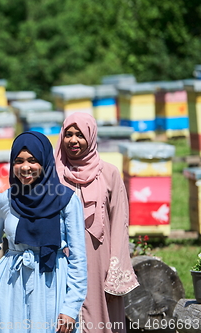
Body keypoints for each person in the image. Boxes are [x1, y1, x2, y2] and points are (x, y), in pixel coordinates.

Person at [0, 131, 87, 333]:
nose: (25, 167)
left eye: (32, 160)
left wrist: (71, 307)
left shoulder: (66, 201)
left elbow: (79, 259)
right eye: (18, 161)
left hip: (52, 283)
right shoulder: (6, 199)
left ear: (45, 162)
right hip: (11, 285)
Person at [55, 113, 139, 333]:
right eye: (68, 134)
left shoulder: (109, 174)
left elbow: (120, 224)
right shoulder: (53, 174)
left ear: (91, 137)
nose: (73, 140)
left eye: (80, 135)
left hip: (99, 262)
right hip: (63, 262)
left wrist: (116, 271)